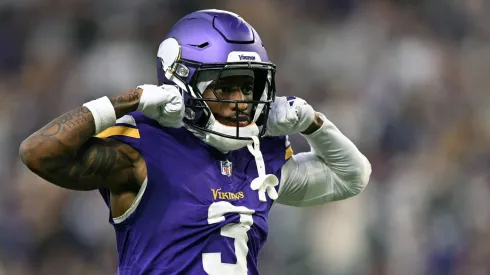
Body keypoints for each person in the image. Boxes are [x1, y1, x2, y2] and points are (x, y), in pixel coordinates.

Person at [19, 9, 372, 275]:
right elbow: (37, 152)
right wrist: (131, 99)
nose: (241, 102)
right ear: (183, 86)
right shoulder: (142, 149)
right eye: (225, 87)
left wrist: (312, 123)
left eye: (248, 88)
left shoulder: (260, 153)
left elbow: (352, 176)